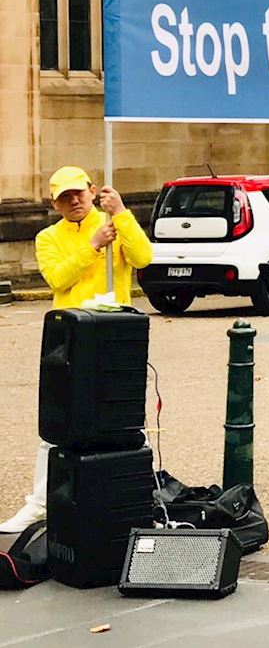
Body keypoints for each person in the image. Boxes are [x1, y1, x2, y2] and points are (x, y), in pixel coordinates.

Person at [1, 166, 153, 533]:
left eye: (79, 194)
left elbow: (144, 257)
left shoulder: (114, 222)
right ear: (55, 204)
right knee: (57, 421)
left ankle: (139, 495)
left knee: (125, 416)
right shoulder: (48, 237)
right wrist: (92, 246)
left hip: (114, 332)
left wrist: (122, 214)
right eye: (65, 198)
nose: (74, 202)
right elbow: (58, 278)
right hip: (70, 338)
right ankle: (40, 503)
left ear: (92, 191)